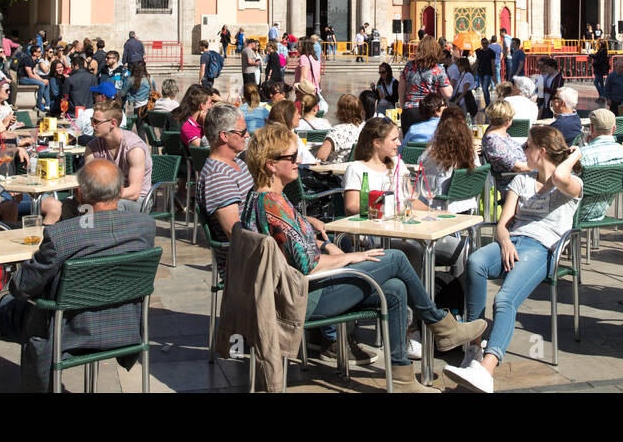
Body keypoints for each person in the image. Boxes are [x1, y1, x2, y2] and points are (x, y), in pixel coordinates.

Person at [241, 123, 485, 391]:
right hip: (303, 298)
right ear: (270, 165)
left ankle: (403, 377)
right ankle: (442, 326)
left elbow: (296, 251)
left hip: (292, 292)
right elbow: (309, 266)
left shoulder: (261, 199)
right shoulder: (274, 205)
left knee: (394, 289)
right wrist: (351, 257)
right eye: (291, 157)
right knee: (395, 259)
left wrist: (324, 242)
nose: (299, 160)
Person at [0, 159, 156, 391]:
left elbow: (21, 289)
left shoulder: (63, 236)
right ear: (120, 191)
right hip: (122, 327)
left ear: (78, 194)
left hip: (63, 331)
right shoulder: (145, 227)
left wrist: (28, 264)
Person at [445, 127, 585, 393]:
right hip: (513, 241)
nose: (523, 151)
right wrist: (505, 240)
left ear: (541, 151)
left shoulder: (571, 183)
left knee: (504, 299)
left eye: (528, 146)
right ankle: (474, 345)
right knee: (475, 262)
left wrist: (573, 156)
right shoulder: (521, 181)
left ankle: (487, 369)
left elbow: (558, 175)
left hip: (542, 248)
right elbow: (502, 224)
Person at [196, 103, 254, 284]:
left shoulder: (238, 163)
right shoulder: (218, 176)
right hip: (247, 265)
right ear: (224, 136)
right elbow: (235, 232)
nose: (247, 135)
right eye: (242, 132)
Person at [77, 98, 151, 213]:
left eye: (96, 122)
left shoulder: (134, 148)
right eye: (92, 120)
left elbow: (134, 192)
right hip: (104, 197)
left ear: (113, 123)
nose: (92, 125)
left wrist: (101, 196)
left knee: (108, 206)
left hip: (137, 201)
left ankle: (96, 229)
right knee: (67, 204)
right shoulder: (92, 146)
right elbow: (89, 181)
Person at [400, 37, 453, 134]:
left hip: (410, 110)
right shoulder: (438, 69)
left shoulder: (409, 66)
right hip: (429, 111)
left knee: (409, 144)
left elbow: (401, 89)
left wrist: (404, 106)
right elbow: (448, 93)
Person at [481, 100, 531, 181]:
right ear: (507, 121)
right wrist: (541, 167)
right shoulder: (495, 142)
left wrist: (527, 145)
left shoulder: (496, 131)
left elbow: (510, 151)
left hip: (522, 174)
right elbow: (519, 167)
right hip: (516, 181)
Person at [313, 93, 365, 165]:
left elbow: (321, 157)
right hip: (356, 170)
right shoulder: (364, 129)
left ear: (340, 111)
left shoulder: (337, 131)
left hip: (336, 173)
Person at [474, 39, 496, 106]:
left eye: (486, 43)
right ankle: (487, 104)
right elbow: (477, 61)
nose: (484, 45)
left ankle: (488, 105)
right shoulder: (479, 52)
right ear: (481, 44)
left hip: (488, 72)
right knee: (484, 90)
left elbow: (493, 64)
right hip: (481, 72)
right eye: (483, 43)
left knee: (485, 88)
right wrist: (472, 68)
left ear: (488, 43)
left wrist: (494, 75)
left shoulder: (491, 52)